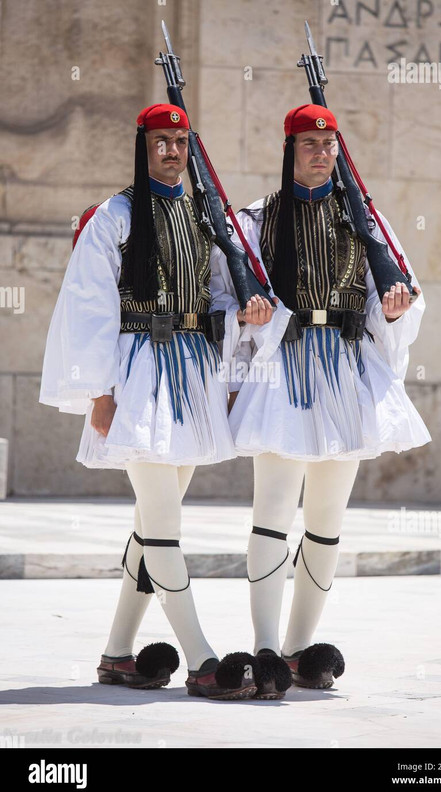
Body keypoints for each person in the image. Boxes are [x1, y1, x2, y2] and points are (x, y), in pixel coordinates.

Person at [39, 103, 262, 700]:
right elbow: (90, 305)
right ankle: (202, 660)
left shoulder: (200, 217)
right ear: (143, 145)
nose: (172, 151)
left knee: (150, 524)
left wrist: (241, 328)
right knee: (164, 526)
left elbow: (218, 295)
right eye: (161, 141)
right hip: (137, 374)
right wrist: (100, 389)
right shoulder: (113, 216)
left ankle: (117, 655)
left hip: (190, 375)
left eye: (181, 141)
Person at [210, 103, 432, 690]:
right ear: (289, 149)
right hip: (283, 369)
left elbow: (402, 290)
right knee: (273, 513)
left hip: (345, 369)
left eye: (328, 144)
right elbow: (223, 295)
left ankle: (299, 648)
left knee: (328, 519)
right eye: (309, 143)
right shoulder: (258, 219)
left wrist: (394, 307)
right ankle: (263, 648)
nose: (320, 152)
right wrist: (241, 347)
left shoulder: (365, 218)